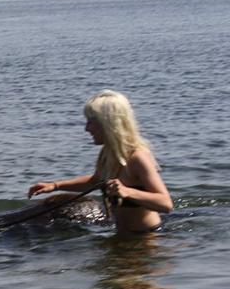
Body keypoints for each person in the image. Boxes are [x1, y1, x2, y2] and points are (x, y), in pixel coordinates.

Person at [28, 90, 172, 233]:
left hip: (148, 236)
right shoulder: (107, 154)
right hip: (122, 235)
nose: (86, 128)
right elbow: (95, 181)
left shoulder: (137, 158)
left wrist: (128, 192)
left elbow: (165, 204)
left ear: (108, 124)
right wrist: (55, 186)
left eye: (91, 122)